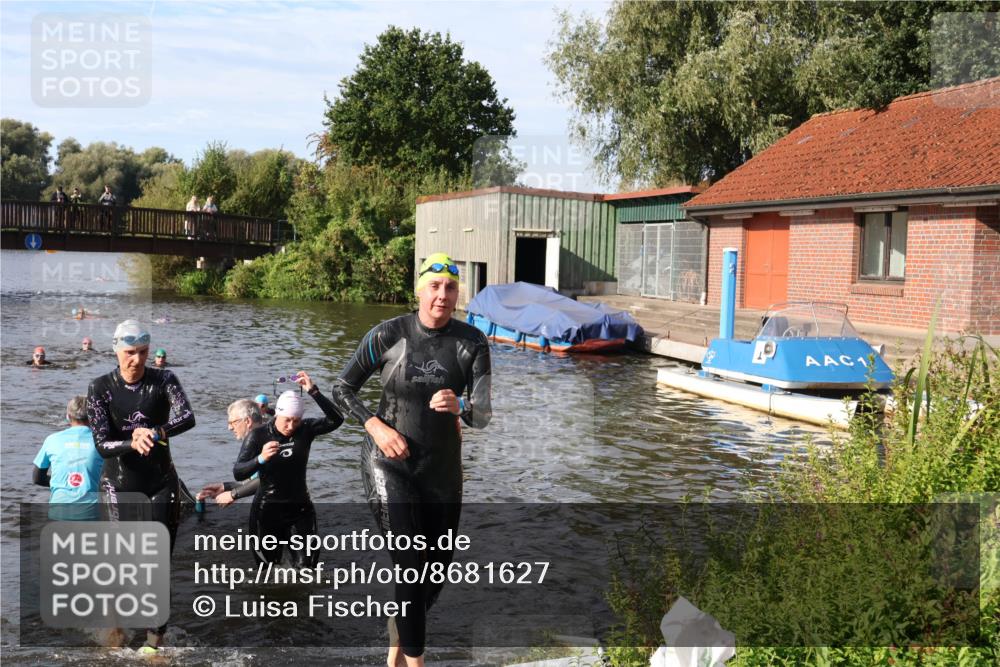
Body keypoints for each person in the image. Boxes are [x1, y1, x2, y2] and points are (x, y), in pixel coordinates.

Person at [331, 252, 492, 666]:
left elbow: (484, 414)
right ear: (419, 289)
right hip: (388, 463)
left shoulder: (473, 342)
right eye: (434, 286)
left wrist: (462, 406)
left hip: (441, 472)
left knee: (431, 579)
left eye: (451, 287)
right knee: (410, 565)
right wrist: (376, 427)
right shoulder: (388, 335)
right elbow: (342, 389)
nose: (442, 295)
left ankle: (398, 635)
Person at [86, 319, 196, 653]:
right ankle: (115, 625)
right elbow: (101, 444)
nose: (137, 360)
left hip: (162, 483)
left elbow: (187, 416)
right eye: (130, 352)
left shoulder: (164, 379)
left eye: (143, 352)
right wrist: (132, 442)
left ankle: (153, 644)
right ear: (117, 350)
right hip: (118, 484)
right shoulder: (101, 387)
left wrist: (156, 432)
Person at [233, 372, 342, 567]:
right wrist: (260, 458)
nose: (291, 426)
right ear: (277, 415)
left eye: (296, 420)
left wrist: (314, 391)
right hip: (267, 510)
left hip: (300, 509)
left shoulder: (306, 429)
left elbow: (337, 419)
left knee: (307, 570)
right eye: (286, 420)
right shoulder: (258, 435)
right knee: (268, 571)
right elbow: (239, 471)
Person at [33, 396, 103, 521]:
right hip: (92, 514)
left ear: (68, 416)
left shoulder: (52, 439)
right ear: (93, 417)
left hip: (58, 513)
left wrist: (64, 483)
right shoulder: (102, 442)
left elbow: (37, 478)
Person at [197, 399, 263, 507]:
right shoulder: (256, 444)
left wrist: (233, 494)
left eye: (233, 422)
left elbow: (268, 479)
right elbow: (254, 481)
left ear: (247, 421)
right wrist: (225, 487)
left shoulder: (268, 442)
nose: (229, 428)